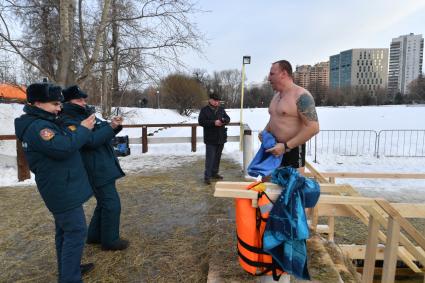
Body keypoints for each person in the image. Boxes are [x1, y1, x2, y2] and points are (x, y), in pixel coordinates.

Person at [14, 82, 96, 282]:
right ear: (37, 103)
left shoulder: (47, 120)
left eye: (59, 103)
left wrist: (77, 128)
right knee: (76, 231)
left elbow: (67, 137)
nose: (59, 108)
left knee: (65, 231)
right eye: (54, 104)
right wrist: (84, 129)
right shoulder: (38, 127)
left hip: (62, 184)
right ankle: (70, 277)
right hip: (60, 188)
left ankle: (68, 269)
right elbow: (63, 148)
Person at [59, 85, 129, 251]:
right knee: (112, 205)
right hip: (93, 167)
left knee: (104, 203)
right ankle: (110, 241)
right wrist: (109, 128)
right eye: (78, 99)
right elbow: (89, 141)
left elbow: (100, 130)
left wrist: (113, 125)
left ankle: (95, 236)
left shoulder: (86, 115)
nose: (83, 102)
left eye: (84, 99)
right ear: (67, 101)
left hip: (102, 165)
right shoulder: (68, 119)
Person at [261, 60, 319, 173]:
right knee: (267, 186)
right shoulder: (276, 96)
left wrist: (285, 146)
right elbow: (274, 118)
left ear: (284, 74)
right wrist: (265, 132)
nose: (268, 78)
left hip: (292, 150)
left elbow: (313, 127)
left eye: (272, 74)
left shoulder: (301, 95)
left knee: (290, 188)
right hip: (273, 148)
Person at [198, 92, 230, 185]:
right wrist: (213, 122)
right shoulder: (204, 110)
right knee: (210, 158)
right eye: (215, 100)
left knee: (217, 157)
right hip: (210, 139)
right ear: (210, 100)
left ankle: (214, 173)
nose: (217, 102)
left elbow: (228, 119)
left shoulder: (221, 109)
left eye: (218, 101)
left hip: (221, 137)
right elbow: (201, 121)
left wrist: (224, 121)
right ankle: (207, 177)